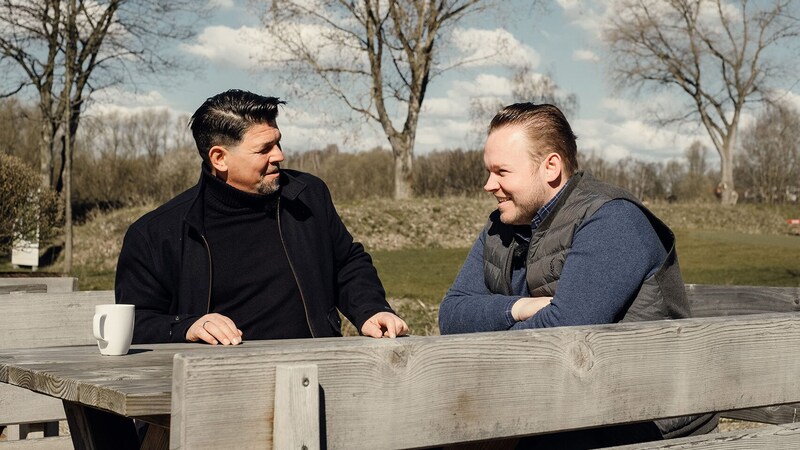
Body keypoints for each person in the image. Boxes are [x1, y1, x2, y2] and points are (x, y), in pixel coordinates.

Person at [438, 103, 717, 447]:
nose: (488, 184)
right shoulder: (501, 226)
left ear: (550, 167)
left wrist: (483, 334)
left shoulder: (611, 220)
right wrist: (520, 307)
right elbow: (451, 315)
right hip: (568, 409)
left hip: (645, 420)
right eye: (488, 171)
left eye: (502, 172)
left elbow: (564, 334)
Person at [115, 89, 407, 345]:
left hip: (320, 369)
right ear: (219, 158)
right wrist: (186, 326)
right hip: (216, 387)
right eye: (264, 149)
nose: (278, 155)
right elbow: (135, 322)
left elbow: (346, 263)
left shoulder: (308, 196)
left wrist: (371, 309)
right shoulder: (155, 234)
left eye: (278, 143)